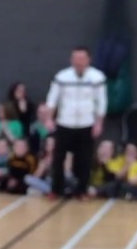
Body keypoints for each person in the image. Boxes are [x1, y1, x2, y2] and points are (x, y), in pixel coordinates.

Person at [45, 46, 107, 199]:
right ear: (71, 60)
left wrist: (99, 123)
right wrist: (48, 118)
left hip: (86, 124)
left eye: (81, 58)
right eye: (75, 58)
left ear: (88, 60)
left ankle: (82, 190)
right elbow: (52, 98)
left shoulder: (97, 77)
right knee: (58, 157)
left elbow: (102, 102)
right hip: (65, 122)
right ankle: (56, 189)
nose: (78, 62)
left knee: (85, 158)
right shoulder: (62, 77)